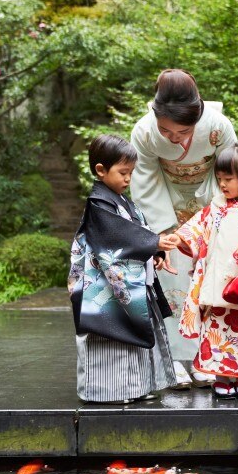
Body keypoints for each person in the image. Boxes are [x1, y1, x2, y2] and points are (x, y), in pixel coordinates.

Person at [130, 69, 238, 389]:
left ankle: (206, 358)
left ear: (198, 115)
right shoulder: (145, 133)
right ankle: (174, 362)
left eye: (182, 132)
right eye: (166, 131)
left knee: (210, 281)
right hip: (165, 204)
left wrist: (208, 219)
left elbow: (230, 174)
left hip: (210, 202)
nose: (173, 138)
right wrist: (166, 229)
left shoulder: (219, 127)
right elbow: (145, 182)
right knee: (171, 279)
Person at [69, 134, 180, 404]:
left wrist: (155, 252)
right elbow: (117, 237)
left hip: (124, 284)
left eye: (131, 172)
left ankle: (136, 388)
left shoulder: (120, 201)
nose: (128, 178)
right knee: (111, 338)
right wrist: (153, 242)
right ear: (100, 170)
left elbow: (133, 235)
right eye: (123, 172)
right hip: (104, 290)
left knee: (133, 335)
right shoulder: (99, 204)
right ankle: (108, 392)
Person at [168, 143, 238, 398]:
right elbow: (197, 227)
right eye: (219, 179)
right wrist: (178, 238)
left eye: (228, 179)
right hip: (217, 281)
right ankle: (221, 376)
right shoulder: (217, 206)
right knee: (216, 328)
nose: (222, 184)